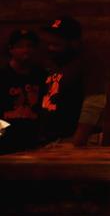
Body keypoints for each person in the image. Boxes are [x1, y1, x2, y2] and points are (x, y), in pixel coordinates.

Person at [40, 16, 104, 147]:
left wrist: (78, 140)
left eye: (56, 44)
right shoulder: (55, 60)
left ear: (74, 42)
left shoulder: (87, 60)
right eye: (49, 44)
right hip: (54, 139)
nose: (51, 48)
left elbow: (95, 101)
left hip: (73, 139)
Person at [0, 29, 45, 153]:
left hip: (34, 143)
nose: (26, 50)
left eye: (30, 46)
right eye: (20, 46)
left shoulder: (42, 76)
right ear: (11, 49)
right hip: (5, 143)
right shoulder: (3, 75)